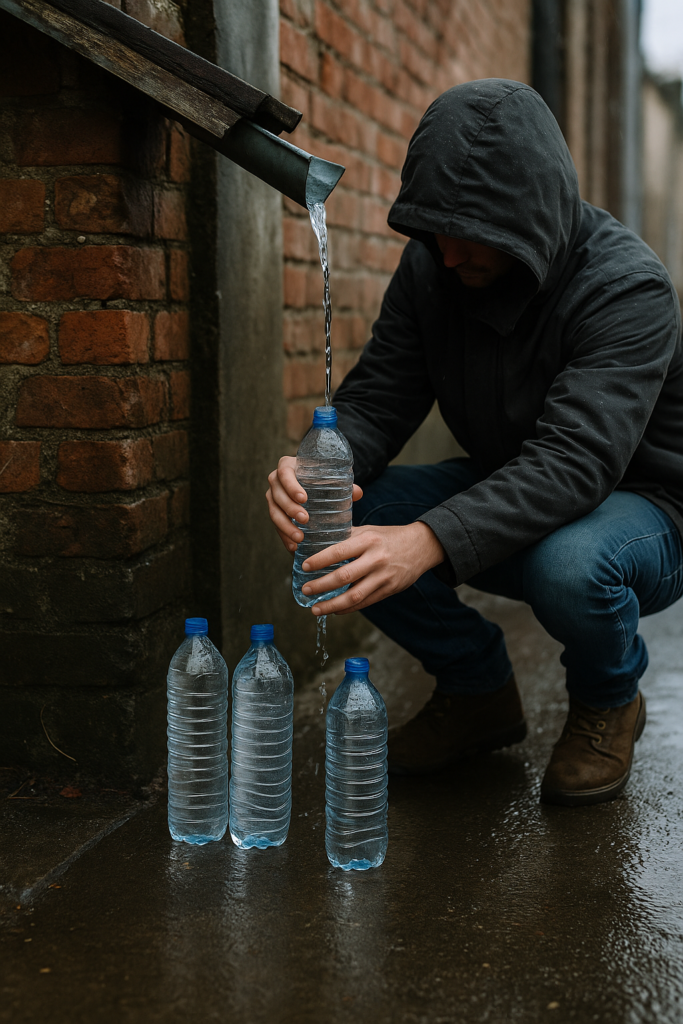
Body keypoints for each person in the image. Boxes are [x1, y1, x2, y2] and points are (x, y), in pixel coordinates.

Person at [266, 79, 683, 807]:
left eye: (471, 234)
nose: (448, 254)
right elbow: (377, 400)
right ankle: (477, 691)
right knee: (340, 519)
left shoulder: (625, 288)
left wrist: (428, 539)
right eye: (434, 232)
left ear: (530, 213)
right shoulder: (434, 266)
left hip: (641, 509)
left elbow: (574, 461)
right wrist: (317, 471)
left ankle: (607, 700)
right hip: (513, 483)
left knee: (570, 565)